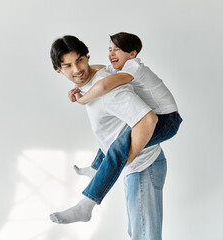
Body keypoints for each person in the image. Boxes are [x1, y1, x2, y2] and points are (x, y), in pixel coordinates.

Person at [48, 35, 178, 239]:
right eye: (68, 66)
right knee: (138, 232)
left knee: (145, 235)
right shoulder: (99, 75)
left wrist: (126, 159)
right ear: (59, 70)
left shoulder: (110, 89)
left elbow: (148, 120)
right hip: (138, 168)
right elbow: (100, 71)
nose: (76, 70)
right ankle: (96, 169)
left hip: (143, 166)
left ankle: (87, 203)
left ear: (87, 57)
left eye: (80, 60)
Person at [68, 32, 182, 204]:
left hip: (167, 120)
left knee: (119, 147)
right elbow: (99, 69)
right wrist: (79, 81)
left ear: (132, 54)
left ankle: (90, 199)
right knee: (116, 138)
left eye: (117, 49)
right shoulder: (119, 68)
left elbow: (104, 84)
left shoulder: (133, 67)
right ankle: (95, 168)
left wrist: (83, 99)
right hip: (160, 116)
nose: (111, 53)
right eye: (110, 49)